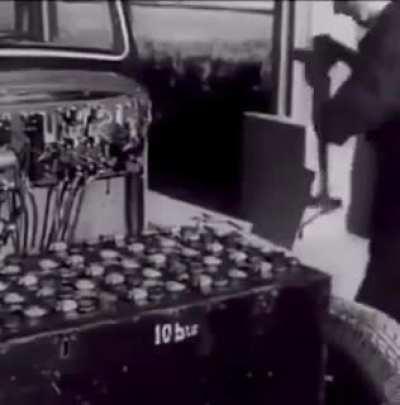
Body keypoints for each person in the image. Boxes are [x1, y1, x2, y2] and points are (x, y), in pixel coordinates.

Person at [314, 0, 400, 321]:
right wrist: (350, 58)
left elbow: (340, 121)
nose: (337, 9)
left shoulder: (393, 30)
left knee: (374, 324)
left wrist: (321, 89)